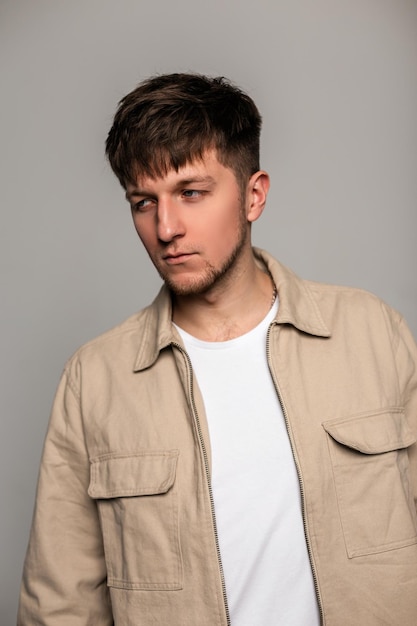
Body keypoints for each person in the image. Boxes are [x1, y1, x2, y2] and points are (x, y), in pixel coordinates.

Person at [18, 73, 417, 626]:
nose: (166, 227)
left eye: (191, 193)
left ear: (253, 195)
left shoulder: (374, 334)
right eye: (143, 202)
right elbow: (59, 604)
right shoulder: (95, 379)